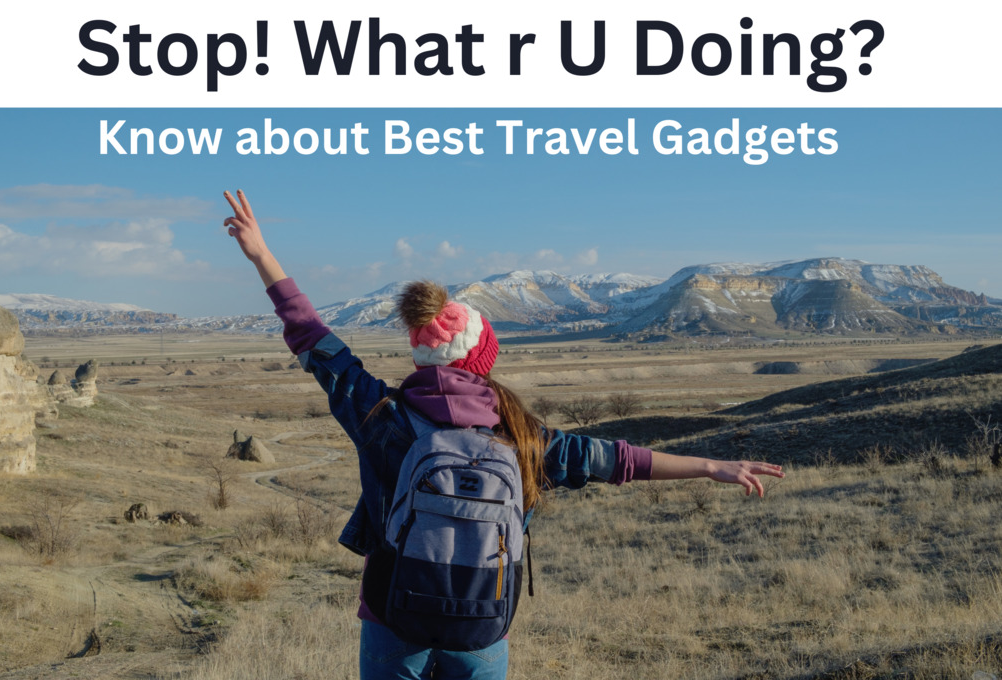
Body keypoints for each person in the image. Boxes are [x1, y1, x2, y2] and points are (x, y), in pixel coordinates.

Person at [223, 189, 784, 680]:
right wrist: (713, 467)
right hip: (484, 623)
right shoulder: (520, 433)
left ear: (420, 358)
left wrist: (262, 255)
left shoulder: (381, 418)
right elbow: (617, 460)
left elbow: (316, 341)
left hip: (394, 617)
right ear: (483, 360)